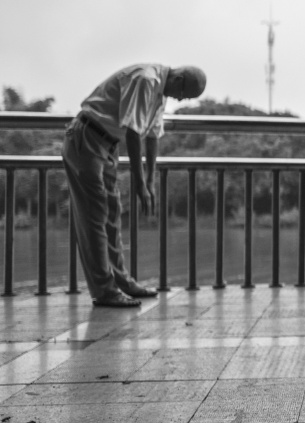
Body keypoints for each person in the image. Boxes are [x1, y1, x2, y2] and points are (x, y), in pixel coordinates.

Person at [62, 64, 206, 307]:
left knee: (112, 214)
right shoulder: (146, 80)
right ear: (178, 79)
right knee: (95, 217)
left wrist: (150, 180)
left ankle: (121, 281)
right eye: (184, 95)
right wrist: (138, 182)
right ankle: (105, 291)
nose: (180, 99)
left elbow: (151, 137)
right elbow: (132, 132)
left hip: (107, 145)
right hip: (87, 138)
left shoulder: (160, 93)